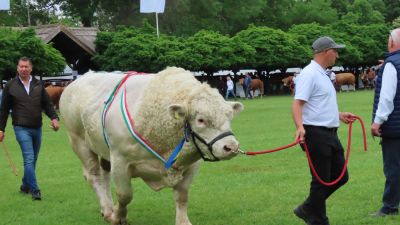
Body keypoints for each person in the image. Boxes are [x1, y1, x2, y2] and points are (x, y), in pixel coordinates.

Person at [292, 36, 355, 225]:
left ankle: (308, 207)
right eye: (335, 50)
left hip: (330, 133)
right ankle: (319, 220)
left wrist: (339, 115)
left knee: (341, 176)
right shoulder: (309, 74)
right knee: (321, 181)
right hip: (315, 134)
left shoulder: (323, 74)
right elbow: (297, 104)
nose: (337, 54)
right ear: (326, 51)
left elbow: (319, 105)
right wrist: (300, 127)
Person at [0, 57, 60, 201]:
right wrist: (1, 129)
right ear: (17, 68)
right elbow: (3, 110)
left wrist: (54, 118)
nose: (23, 69)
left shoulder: (38, 84)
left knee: (33, 160)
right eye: (21, 66)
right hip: (20, 127)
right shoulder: (10, 85)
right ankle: (35, 190)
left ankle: (25, 185)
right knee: (29, 158)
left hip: (37, 127)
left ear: (31, 68)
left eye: (26, 66)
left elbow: (47, 104)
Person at [371, 28, 400, 217]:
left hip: (395, 127)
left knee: (393, 166)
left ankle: (389, 207)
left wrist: (377, 122)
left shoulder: (392, 64)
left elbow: (387, 98)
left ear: (391, 43)